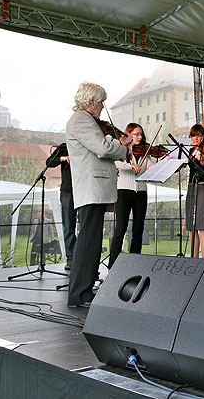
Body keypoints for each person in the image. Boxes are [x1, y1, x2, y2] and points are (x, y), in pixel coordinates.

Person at [65, 82, 130, 308]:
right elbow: (102, 148)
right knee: (88, 241)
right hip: (92, 188)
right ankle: (79, 293)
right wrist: (120, 146)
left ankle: (84, 290)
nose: (103, 106)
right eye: (101, 101)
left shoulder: (85, 120)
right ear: (91, 101)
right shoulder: (82, 120)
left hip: (95, 188)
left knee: (91, 241)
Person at [109, 123, 152, 268]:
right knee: (121, 227)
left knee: (138, 228)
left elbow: (149, 166)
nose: (139, 137)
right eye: (136, 134)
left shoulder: (145, 151)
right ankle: (113, 263)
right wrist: (130, 166)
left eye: (141, 134)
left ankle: (135, 262)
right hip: (124, 190)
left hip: (141, 191)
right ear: (128, 135)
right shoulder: (122, 150)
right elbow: (116, 163)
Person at [46, 143, 76, 270]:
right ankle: (71, 258)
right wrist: (63, 158)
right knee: (68, 225)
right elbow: (49, 162)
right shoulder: (64, 147)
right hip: (68, 191)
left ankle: (82, 257)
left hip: (84, 190)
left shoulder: (88, 145)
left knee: (85, 226)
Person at [185, 123, 204, 259]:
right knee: (191, 225)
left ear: (203, 136)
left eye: (199, 135)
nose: (196, 138)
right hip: (191, 186)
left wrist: (202, 164)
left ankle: (203, 259)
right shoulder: (190, 151)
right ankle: (194, 258)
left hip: (203, 186)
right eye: (193, 135)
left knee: (202, 224)